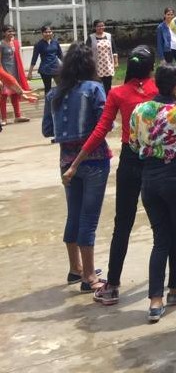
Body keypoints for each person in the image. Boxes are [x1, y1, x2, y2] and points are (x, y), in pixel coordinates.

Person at [62, 47, 176, 306]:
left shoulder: (117, 93)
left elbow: (101, 129)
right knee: (169, 225)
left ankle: (112, 285)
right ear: (151, 70)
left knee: (122, 225)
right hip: (157, 162)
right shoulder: (157, 89)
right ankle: (175, 281)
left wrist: (76, 162)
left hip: (130, 159)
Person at [129, 63, 176, 323]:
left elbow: (134, 143)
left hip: (149, 177)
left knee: (160, 239)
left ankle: (155, 300)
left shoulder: (140, 109)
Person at [44, 43, 109, 293]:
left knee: (74, 213)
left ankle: (76, 268)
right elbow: (104, 124)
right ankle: (90, 276)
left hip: (66, 162)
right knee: (88, 219)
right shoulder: (94, 89)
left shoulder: (54, 95)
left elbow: (47, 130)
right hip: (94, 159)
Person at [0, 24, 31, 124]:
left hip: (15, 73)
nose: (11, 33)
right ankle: (4, 119)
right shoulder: (1, 44)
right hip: (5, 74)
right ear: (4, 33)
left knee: (15, 95)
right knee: (4, 95)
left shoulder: (16, 43)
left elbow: (18, 59)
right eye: (9, 31)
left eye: (12, 31)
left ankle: (18, 116)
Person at [27, 25, 63, 94]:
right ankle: (48, 104)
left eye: (50, 32)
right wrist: (30, 73)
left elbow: (60, 55)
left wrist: (68, 66)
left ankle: (61, 103)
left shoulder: (55, 42)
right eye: (46, 32)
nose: (48, 34)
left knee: (61, 87)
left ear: (52, 32)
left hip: (56, 68)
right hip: (45, 70)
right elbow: (34, 59)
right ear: (42, 33)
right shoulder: (38, 44)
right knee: (48, 89)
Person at [88, 20, 119, 95]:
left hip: (108, 65)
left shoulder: (109, 36)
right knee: (98, 85)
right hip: (96, 66)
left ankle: (108, 100)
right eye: (98, 26)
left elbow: (114, 50)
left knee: (108, 85)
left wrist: (116, 62)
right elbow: (87, 51)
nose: (101, 27)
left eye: (102, 25)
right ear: (95, 27)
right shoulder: (91, 38)